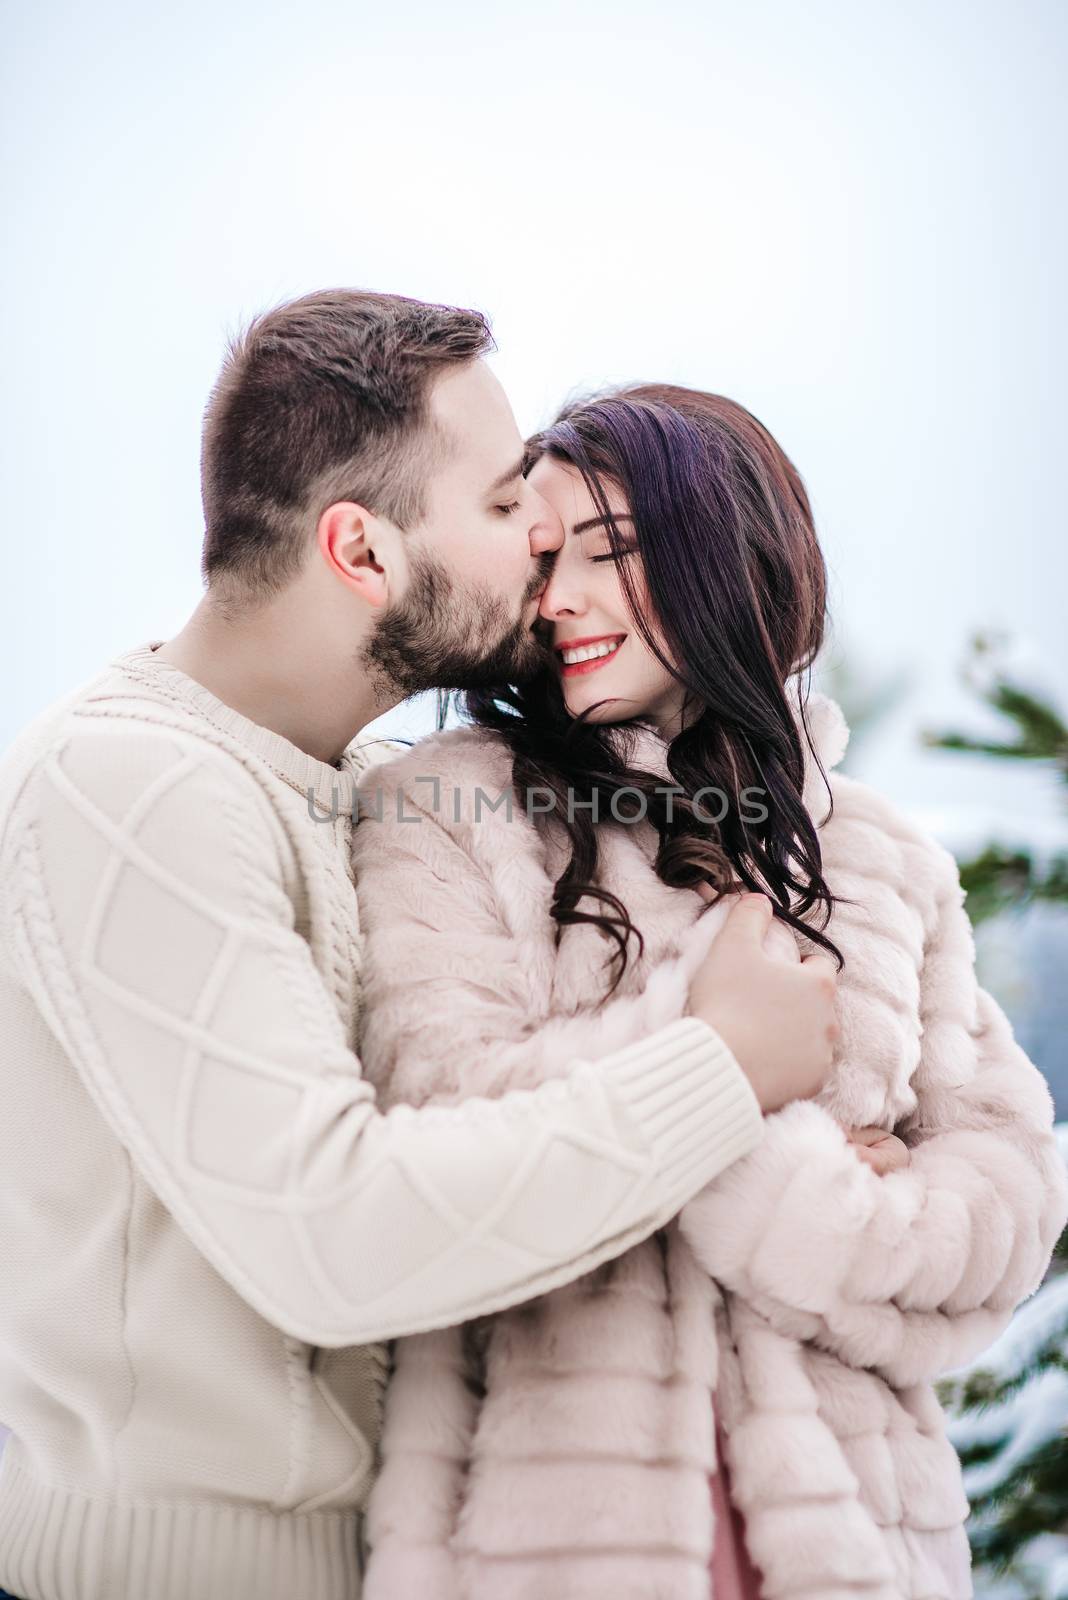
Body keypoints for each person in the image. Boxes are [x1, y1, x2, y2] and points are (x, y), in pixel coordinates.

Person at [0, 292, 841, 1600]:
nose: (545, 531)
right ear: (364, 552)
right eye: (507, 505)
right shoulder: (131, 788)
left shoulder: (331, 784)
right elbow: (334, 1233)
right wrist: (720, 1065)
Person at [348, 384, 1068, 1598]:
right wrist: (718, 1055)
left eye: (609, 554)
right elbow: (437, 1130)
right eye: (541, 561)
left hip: (861, 1544)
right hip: (548, 1545)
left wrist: (789, 1191)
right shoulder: (446, 809)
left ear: (722, 556)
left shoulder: (879, 859)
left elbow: (1005, 1196)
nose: (559, 597)